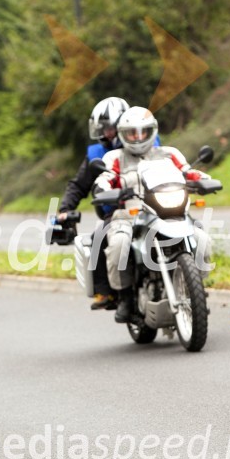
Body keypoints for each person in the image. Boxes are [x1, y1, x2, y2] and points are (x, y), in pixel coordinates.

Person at [94, 106, 210, 323]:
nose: (138, 138)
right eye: (132, 133)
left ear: (152, 131)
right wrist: (104, 189)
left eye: (143, 132)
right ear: (123, 134)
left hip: (166, 210)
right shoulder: (115, 157)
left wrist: (203, 180)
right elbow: (105, 178)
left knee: (201, 237)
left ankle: (197, 290)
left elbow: (188, 171)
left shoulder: (169, 153)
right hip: (129, 214)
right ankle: (126, 297)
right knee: (119, 243)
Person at [57, 97, 130, 311]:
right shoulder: (96, 154)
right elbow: (79, 185)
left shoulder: (146, 141)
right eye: (103, 129)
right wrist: (65, 209)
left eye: (110, 128)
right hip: (116, 213)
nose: (106, 133)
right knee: (99, 239)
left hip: (152, 205)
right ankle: (107, 292)